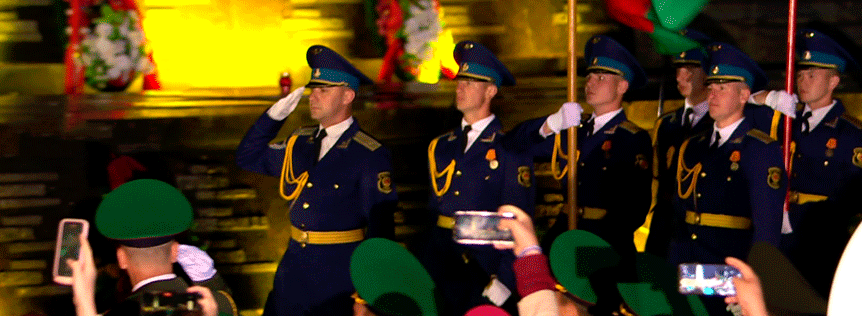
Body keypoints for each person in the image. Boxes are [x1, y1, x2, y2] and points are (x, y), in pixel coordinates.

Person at [236, 45, 398, 316]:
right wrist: (273, 118)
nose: (314, 97)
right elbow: (247, 157)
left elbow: (381, 231)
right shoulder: (299, 142)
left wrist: (367, 296)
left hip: (339, 279)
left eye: (324, 90)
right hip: (292, 274)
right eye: (313, 89)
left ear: (348, 95)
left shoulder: (369, 154)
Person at [749, 29, 862, 295]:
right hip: (779, 234)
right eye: (801, 74)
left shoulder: (850, 132)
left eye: (812, 75)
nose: (802, 81)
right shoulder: (784, 120)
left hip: (820, 241)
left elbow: (855, 195)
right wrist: (767, 98)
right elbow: (735, 109)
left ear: (833, 82)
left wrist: (812, 219)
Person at [509, 35, 653, 258]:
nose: (591, 82)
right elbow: (513, 145)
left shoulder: (632, 138)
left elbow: (635, 208)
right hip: (563, 234)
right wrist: (551, 123)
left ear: (622, 86)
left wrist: (598, 245)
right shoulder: (574, 130)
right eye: (590, 76)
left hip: (604, 242)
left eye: (601, 77)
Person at [422, 40, 535, 315]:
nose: (460, 87)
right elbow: (432, 212)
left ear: (490, 91)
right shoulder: (441, 145)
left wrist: (505, 280)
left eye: (470, 82)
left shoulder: (510, 148)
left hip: (483, 269)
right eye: (460, 81)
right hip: (440, 263)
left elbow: (517, 221)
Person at [668, 43, 785, 268]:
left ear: (743, 95)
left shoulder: (759, 149)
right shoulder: (693, 146)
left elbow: (767, 226)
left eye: (723, 88)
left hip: (731, 267)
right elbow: (679, 215)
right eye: (711, 87)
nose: (712, 94)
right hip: (689, 265)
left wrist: (755, 276)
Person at [67, 178, 234, 316]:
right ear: (175, 252)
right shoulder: (217, 305)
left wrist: (83, 301)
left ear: (121, 258)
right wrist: (210, 281)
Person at [647, 29, 715, 257]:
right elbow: (658, 184)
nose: (680, 76)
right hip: (666, 232)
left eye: (689, 69)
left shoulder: (719, 124)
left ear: (707, 72)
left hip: (702, 232)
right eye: (678, 68)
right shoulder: (667, 124)